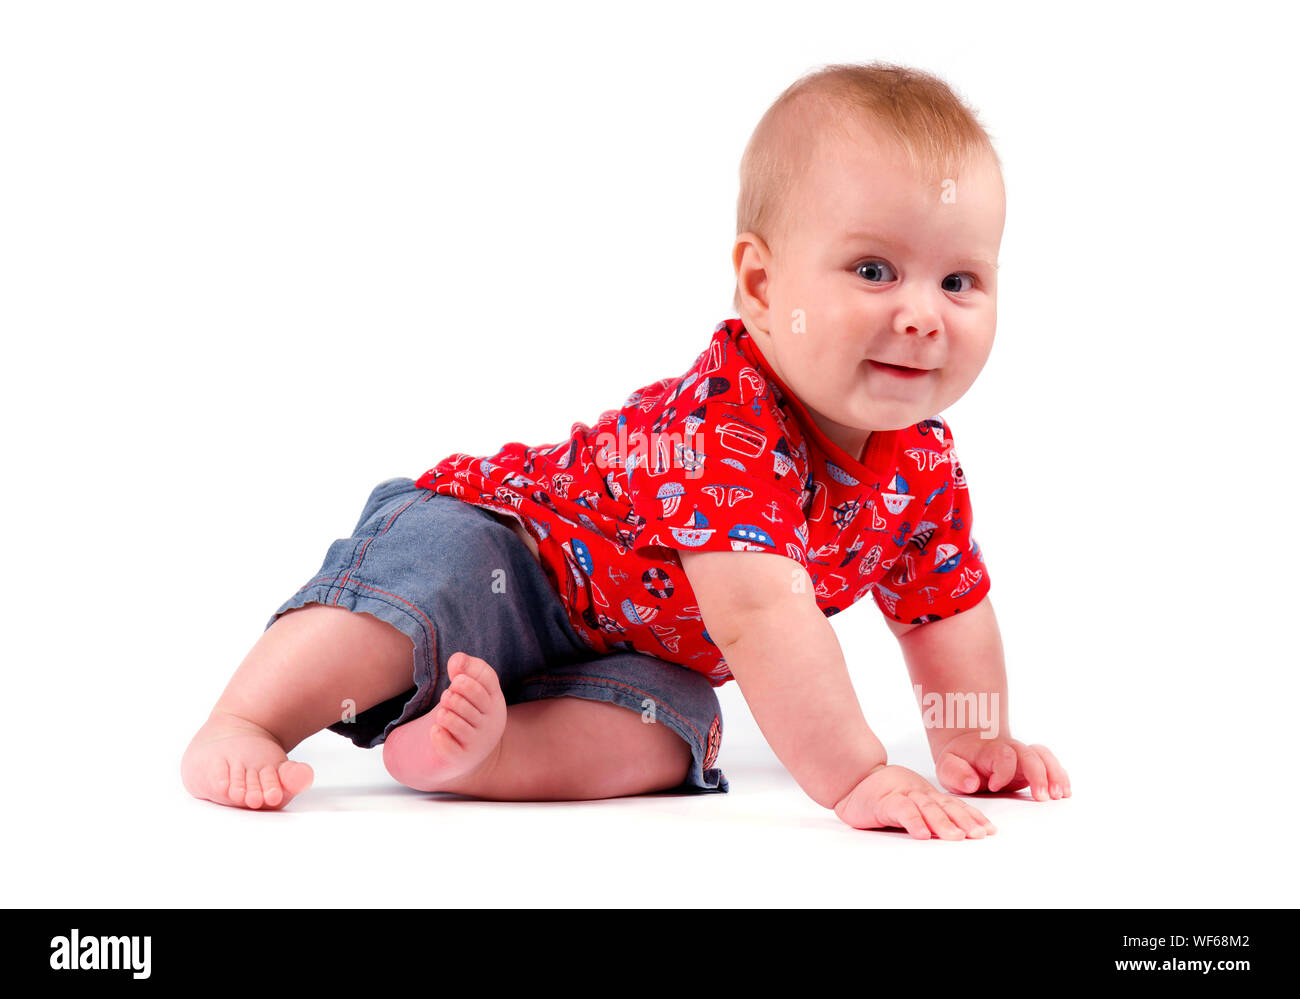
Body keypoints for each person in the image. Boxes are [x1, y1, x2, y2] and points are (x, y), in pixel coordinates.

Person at [182, 61, 1069, 839]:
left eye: (960, 281)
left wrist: (977, 745)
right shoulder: (728, 425)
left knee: (678, 719)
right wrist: (857, 775)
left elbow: (944, 611)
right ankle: (247, 719)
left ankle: (484, 753)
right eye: (874, 270)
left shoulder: (920, 466)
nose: (921, 314)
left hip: (625, 652)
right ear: (762, 285)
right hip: (514, 552)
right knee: (430, 584)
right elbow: (763, 616)